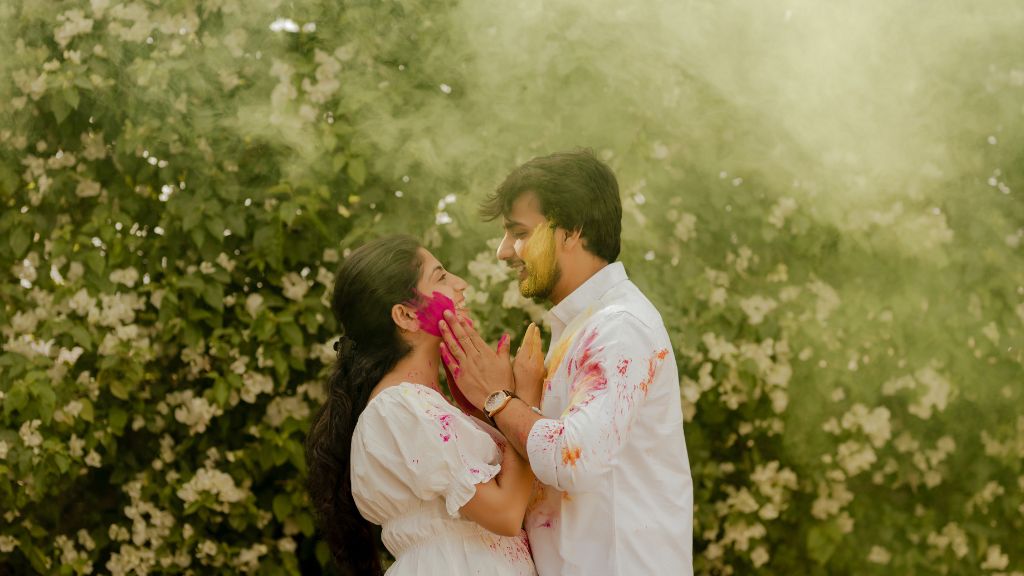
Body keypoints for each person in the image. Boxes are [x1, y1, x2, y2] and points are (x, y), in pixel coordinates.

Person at [438, 150, 694, 575]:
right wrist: (491, 406)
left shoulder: (619, 328)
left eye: (518, 232)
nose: (504, 252)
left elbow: (572, 457)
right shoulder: (581, 328)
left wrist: (498, 401)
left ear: (571, 231)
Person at [304, 235, 545, 576]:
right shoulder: (399, 408)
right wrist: (521, 402)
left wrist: (491, 406)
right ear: (405, 315)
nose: (461, 285)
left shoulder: (422, 405)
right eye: (441, 276)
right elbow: (505, 514)